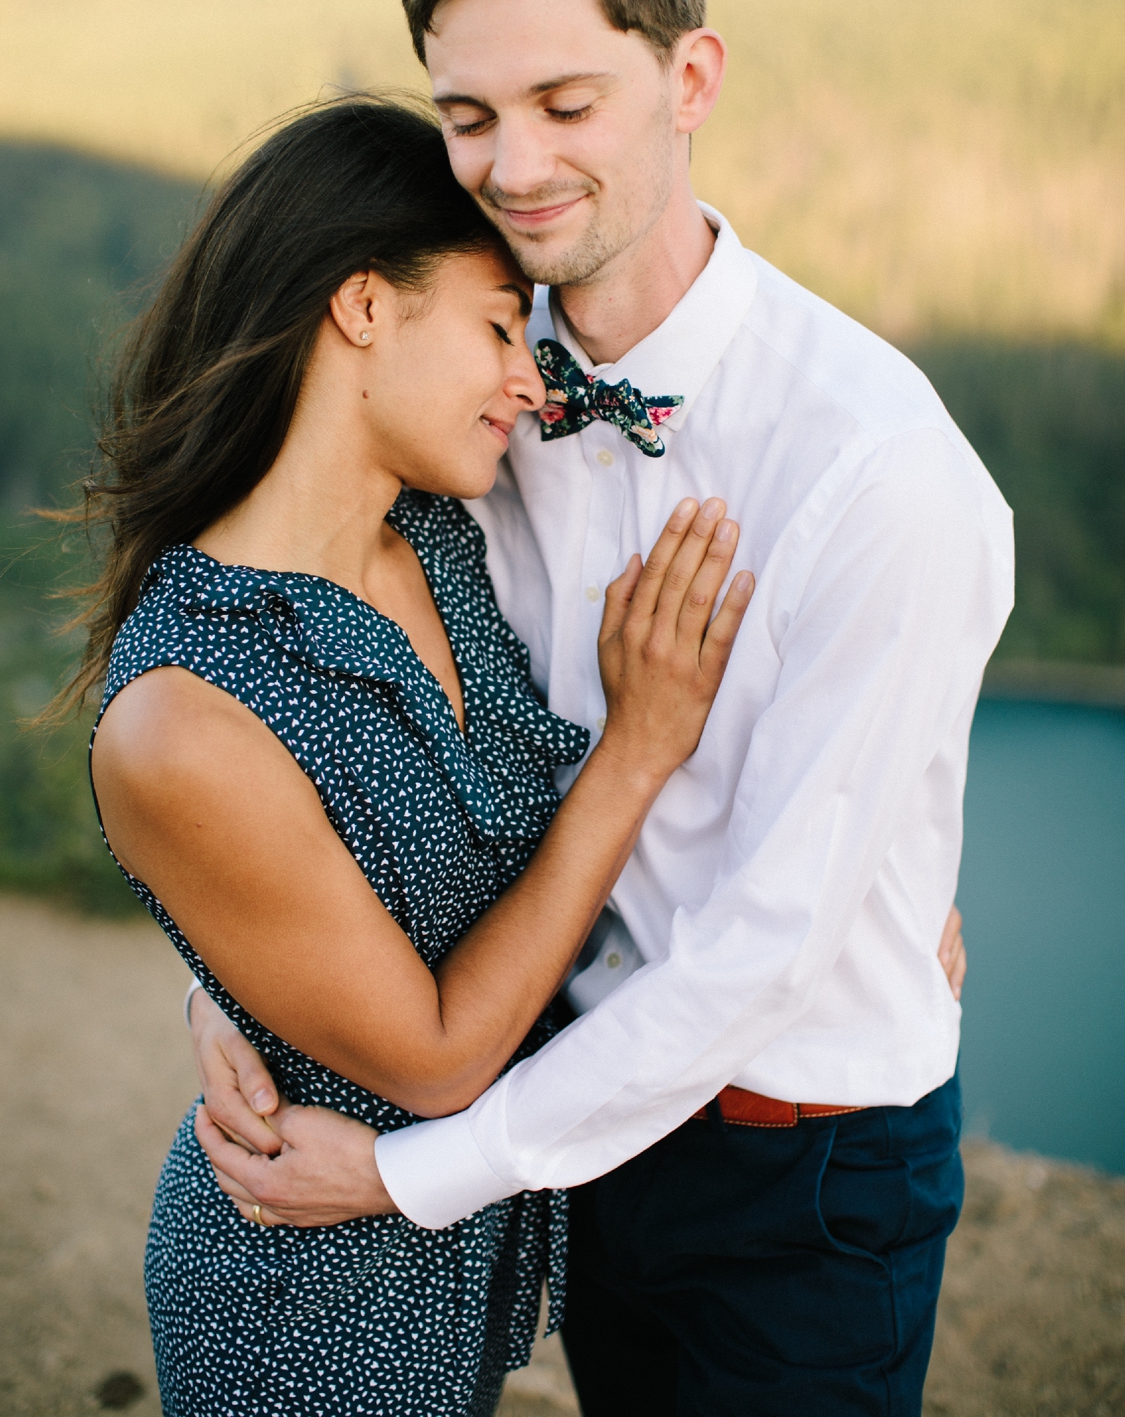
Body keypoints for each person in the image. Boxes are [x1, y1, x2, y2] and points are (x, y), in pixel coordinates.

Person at [183, 0, 1011, 1415]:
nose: (513, 164)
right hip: (583, 1131)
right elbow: (306, 694)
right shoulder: (472, 390)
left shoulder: (882, 474)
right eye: (470, 115)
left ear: (691, 76)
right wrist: (229, 959)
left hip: (802, 1173)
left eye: (569, 104)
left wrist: (421, 1170)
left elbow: (773, 946)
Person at [80, 93, 755, 1416]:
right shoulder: (184, 709)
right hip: (309, 1288)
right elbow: (439, 1055)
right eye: (502, 323)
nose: (529, 372)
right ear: (365, 307)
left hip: (448, 1243)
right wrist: (636, 753)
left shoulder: (443, 541)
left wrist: (867, 875)